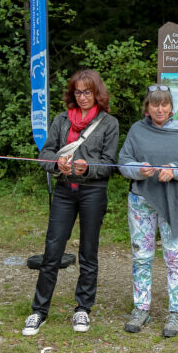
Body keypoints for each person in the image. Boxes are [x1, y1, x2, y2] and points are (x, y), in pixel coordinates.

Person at [23, 69, 119, 336]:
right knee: (52, 250)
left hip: (93, 192)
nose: (83, 97)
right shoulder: (61, 119)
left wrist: (88, 167)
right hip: (65, 192)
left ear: (97, 92)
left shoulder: (109, 123)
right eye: (78, 92)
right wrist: (56, 163)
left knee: (89, 252)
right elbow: (45, 153)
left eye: (88, 92)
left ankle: (82, 310)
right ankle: (38, 311)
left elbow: (111, 164)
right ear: (72, 93)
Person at [118, 85, 178, 338]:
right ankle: (141, 307)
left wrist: (175, 170)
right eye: (155, 104)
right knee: (141, 257)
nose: (160, 109)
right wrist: (137, 169)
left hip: (174, 202)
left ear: (171, 107)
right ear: (147, 107)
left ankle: (176, 311)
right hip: (141, 200)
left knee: (175, 258)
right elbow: (123, 162)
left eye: (164, 104)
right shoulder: (136, 130)